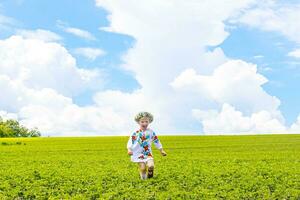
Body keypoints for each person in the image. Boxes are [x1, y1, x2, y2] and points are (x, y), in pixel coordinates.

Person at [127, 111, 167, 180]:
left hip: (147, 152)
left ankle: (150, 174)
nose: (144, 123)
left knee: (151, 166)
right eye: (142, 122)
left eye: (146, 121)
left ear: (149, 122)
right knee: (142, 168)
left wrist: (161, 150)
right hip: (138, 153)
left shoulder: (151, 132)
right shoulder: (135, 132)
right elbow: (131, 141)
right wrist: (129, 149)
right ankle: (144, 180)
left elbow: (156, 140)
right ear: (138, 122)